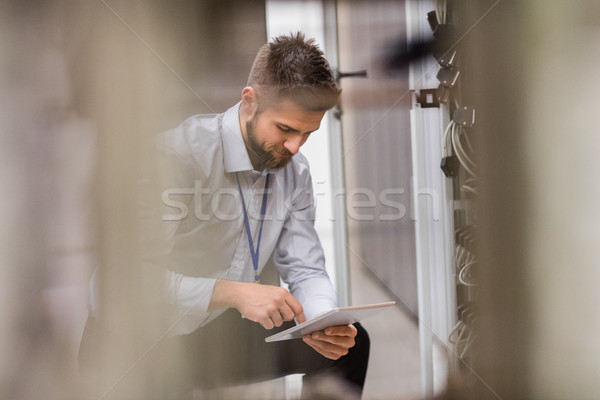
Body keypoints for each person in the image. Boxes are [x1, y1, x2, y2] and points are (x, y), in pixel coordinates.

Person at [79, 32, 370, 399]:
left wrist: (319, 320)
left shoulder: (295, 170)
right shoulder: (175, 158)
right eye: (285, 129)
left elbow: (306, 268)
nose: (295, 147)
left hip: (212, 330)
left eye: (308, 133)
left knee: (349, 346)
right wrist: (232, 292)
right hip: (134, 343)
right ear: (249, 101)